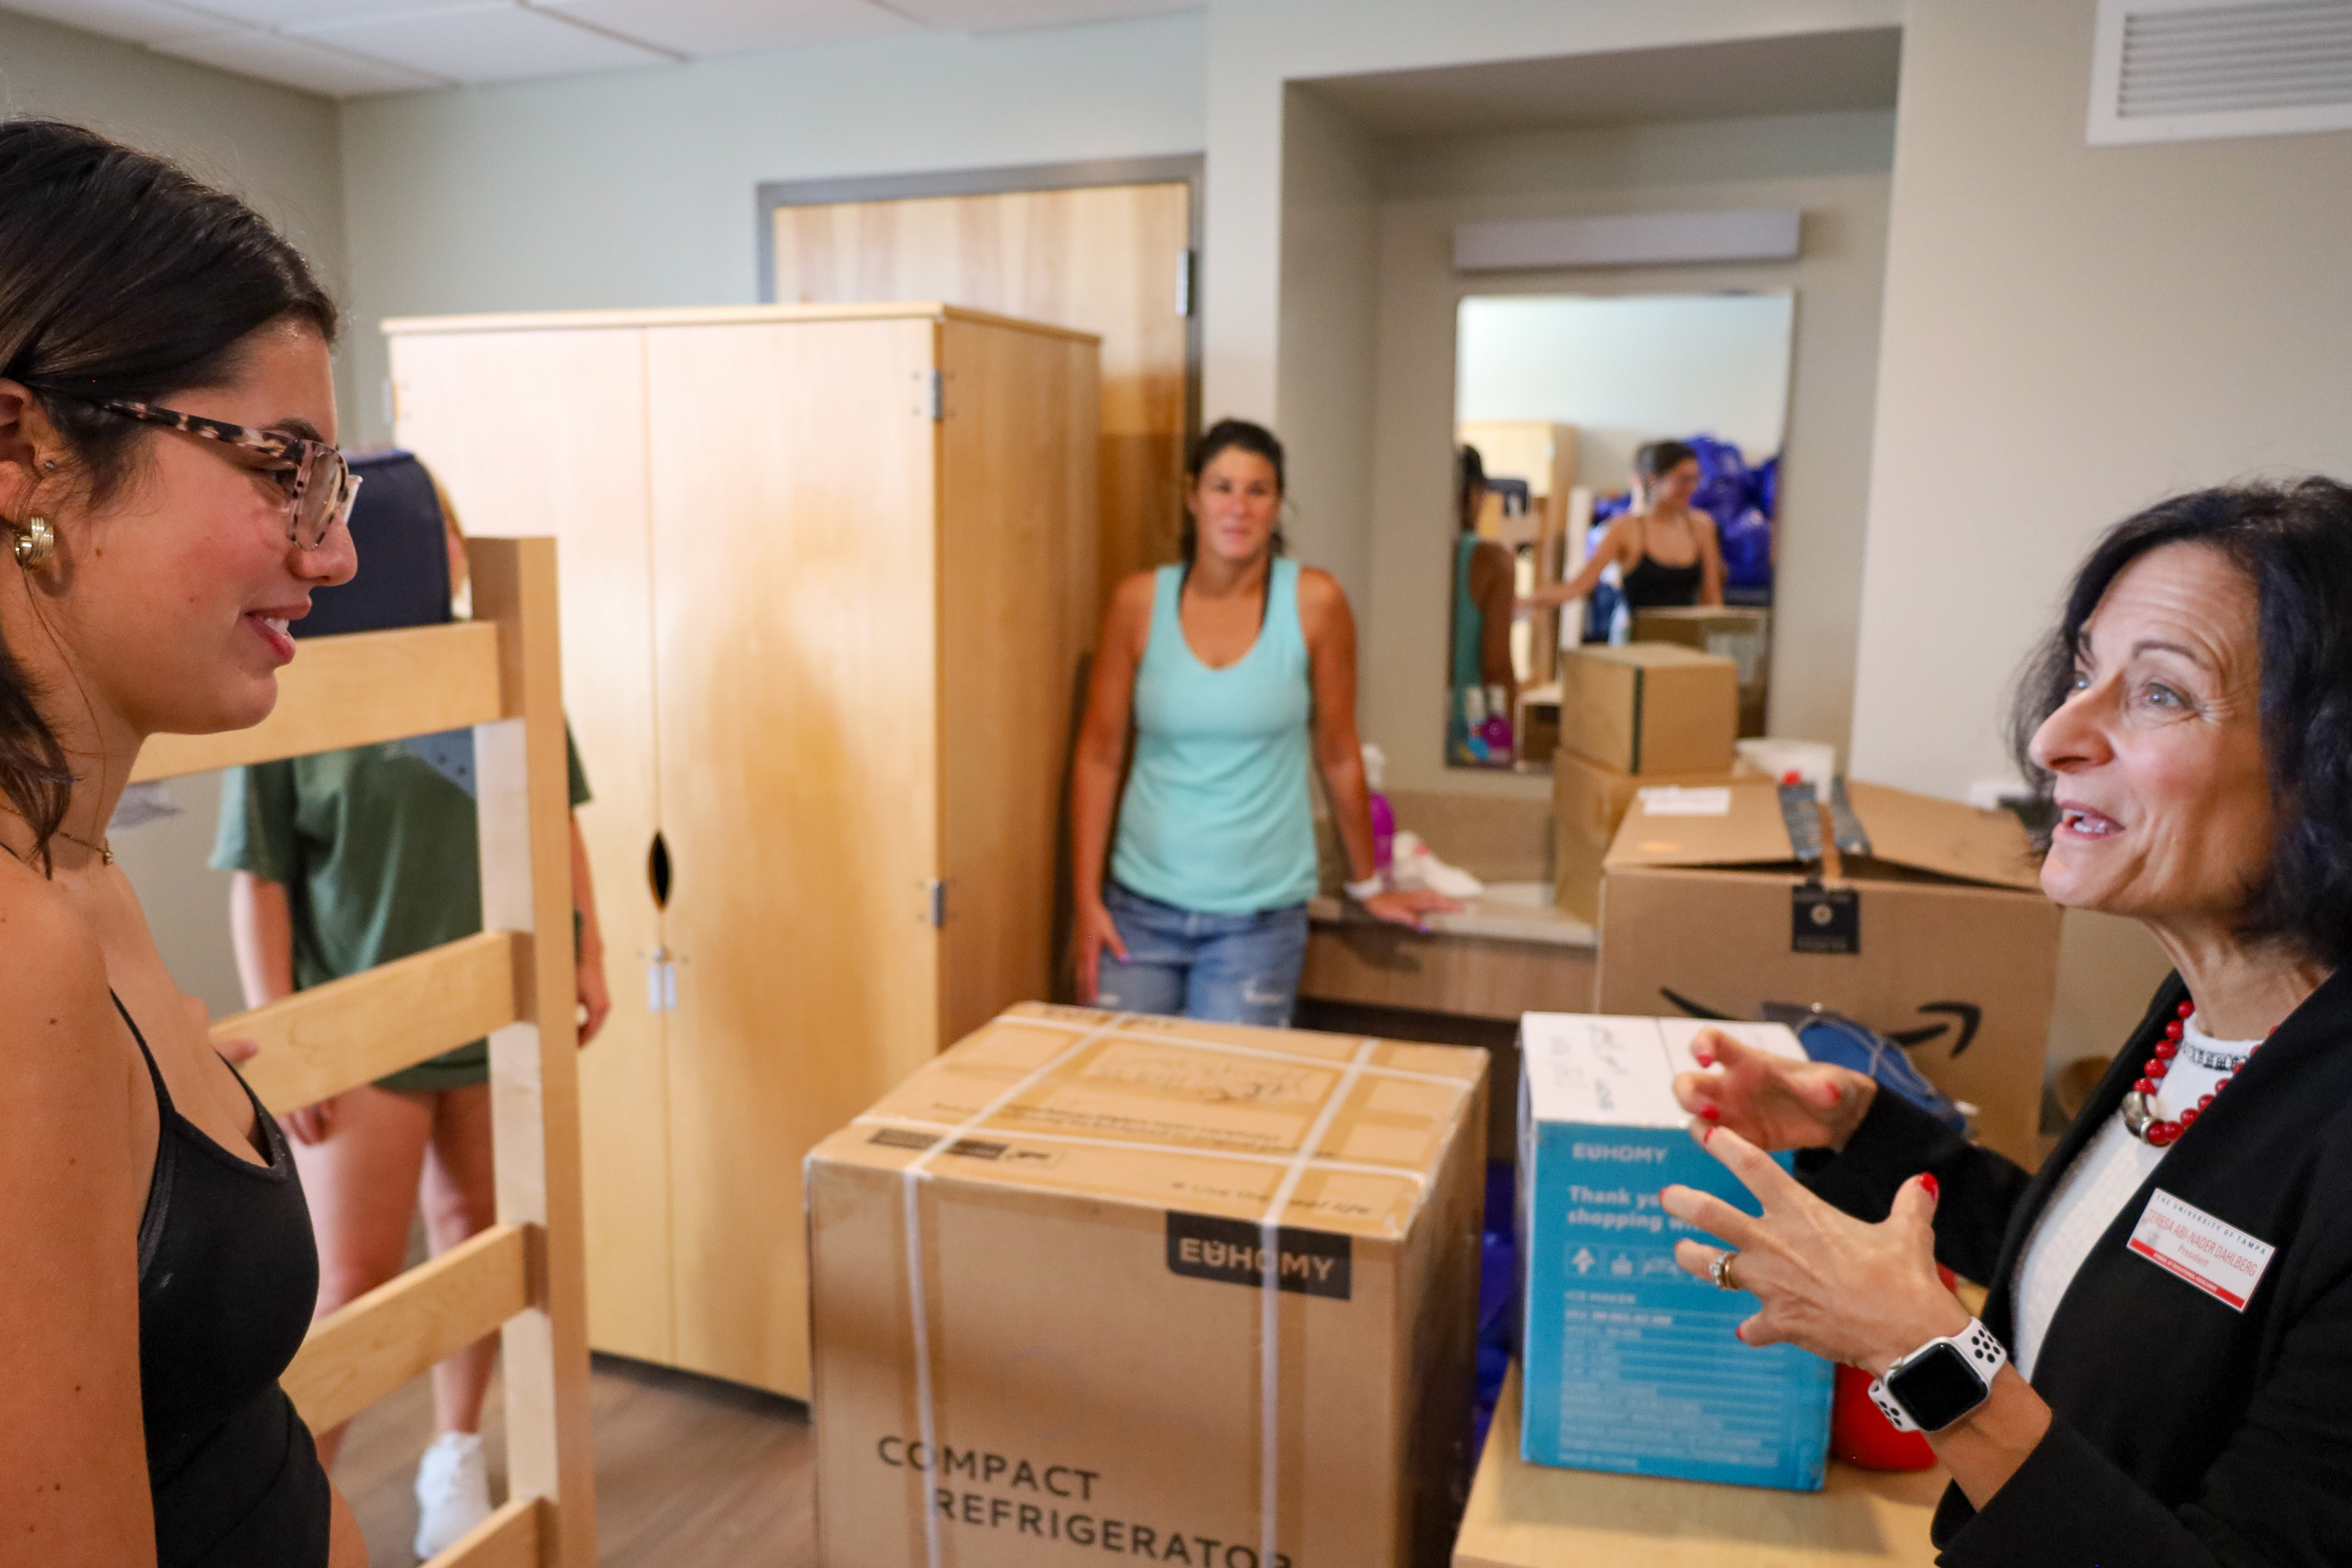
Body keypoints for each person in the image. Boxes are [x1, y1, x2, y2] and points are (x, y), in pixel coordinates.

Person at [1660, 478, 2352, 1563]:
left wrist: (1924, 1355)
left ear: (2330, 767)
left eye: (2162, 694)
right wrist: (1860, 1132)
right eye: (2085, 676)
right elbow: (2148, 1278)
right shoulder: (2203, 1010)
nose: (2057, 735)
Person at [0, 119, 366, 1565]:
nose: (329, 549)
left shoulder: (79, 867)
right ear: (22, 451)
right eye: (281, 467)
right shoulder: (17, 938)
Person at [213, 494, 609, 1558]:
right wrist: (294, 1040)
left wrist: (589, 949)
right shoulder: (291, 679)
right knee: (352, 1277)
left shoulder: (499, 665)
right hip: (366, 1028)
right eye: (409, 526)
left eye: (442, 525)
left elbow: (553, 818)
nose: (431, 546)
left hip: (496, 1012)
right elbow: (261, 879)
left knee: (480, 1237)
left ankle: (452, 1453)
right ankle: (295, 1504)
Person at [1069, 418, 1454, 1022]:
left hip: (1255, 925)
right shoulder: (1138, 603)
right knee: (1116, 1103)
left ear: (1279, 505)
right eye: (1223, 487)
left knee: (1225, 1109)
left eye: (1258, 490)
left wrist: (1368, 885)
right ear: (1193, 495)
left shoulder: (1315, 603)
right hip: (1137, 914)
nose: (1238, 506)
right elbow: (1098, 756)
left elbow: (1338, 752)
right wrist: (1086, 900)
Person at [1523, 438, 1725, 616]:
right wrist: (1527, 602)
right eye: (1683, 480)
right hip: (1637, 642)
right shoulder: (1625, 528)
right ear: (1653, 480)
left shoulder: (1701, 526)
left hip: (1686, 644)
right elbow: (1579, 586)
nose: (1692, 488)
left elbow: (1712, 597)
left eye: (1695, 479)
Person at [1449, 445, 1517, 764]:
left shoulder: (1396, 555)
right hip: (1467, 738)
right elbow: (1497, 667)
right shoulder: (1490, 560)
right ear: (1473, 494)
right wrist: (1506, 744)